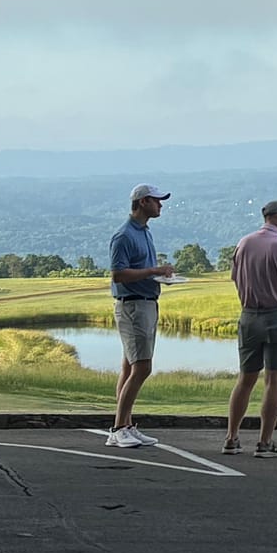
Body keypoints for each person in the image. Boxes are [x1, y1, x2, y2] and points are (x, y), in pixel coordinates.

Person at [225, 200, 277, 458]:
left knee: (245, 379)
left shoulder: (244, 243)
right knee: (274, 380)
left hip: (248, 317)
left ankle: (232, 437)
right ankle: (264, 442)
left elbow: (235, 278)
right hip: (276, 317)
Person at [107, 183, 173, 449]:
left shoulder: (144, 232)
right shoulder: (124, 236)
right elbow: (118, 274)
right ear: (143, 201)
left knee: (129, 367)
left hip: (145, 302)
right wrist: (153, 272)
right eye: (157, 201)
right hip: (133, 305)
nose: (161, 205)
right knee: (143, 367)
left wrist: (154, 274)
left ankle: (126, 425)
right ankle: (119, 428)